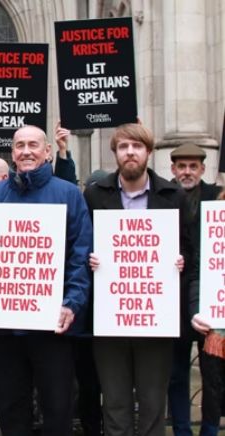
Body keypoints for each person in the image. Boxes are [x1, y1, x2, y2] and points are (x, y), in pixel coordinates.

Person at [0, 125, 93, 436]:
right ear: (13, 154)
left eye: (33, 145)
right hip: (4, 326)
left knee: (57, 409)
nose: (26, 151)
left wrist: (72, 303)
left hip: (52, 326)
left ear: (47, 152)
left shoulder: (69, 194)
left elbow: (80, 254)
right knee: (11, 410)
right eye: (19, 146)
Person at [84, 123, 190, 436]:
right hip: (109, 319)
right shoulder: (94, 195)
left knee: (153, 402)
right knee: (115, 402)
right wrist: (91, 259)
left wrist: (179, 261)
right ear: (115, 153)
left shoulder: (174, 197)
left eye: (137, 146)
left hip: (156, 318)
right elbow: (81, 245)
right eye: (123, 147)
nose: (130, 152)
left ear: (148, 152)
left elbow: (189, 249)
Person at [167, 143, 222, 436]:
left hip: (211, 298)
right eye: (181, 166)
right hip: (172, 300)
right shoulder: (162, 197)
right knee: (175, 374)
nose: (187, 172)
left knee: (212, 373)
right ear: (173, 169)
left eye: (193, 166)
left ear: (203, 169)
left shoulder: (217, 197)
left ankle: (210, 430)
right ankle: (181, 430)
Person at [191, 188, 225, 435]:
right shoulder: (213, 228)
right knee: (212, 388)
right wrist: (197, 308)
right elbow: (198, 272)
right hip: (216, 328)